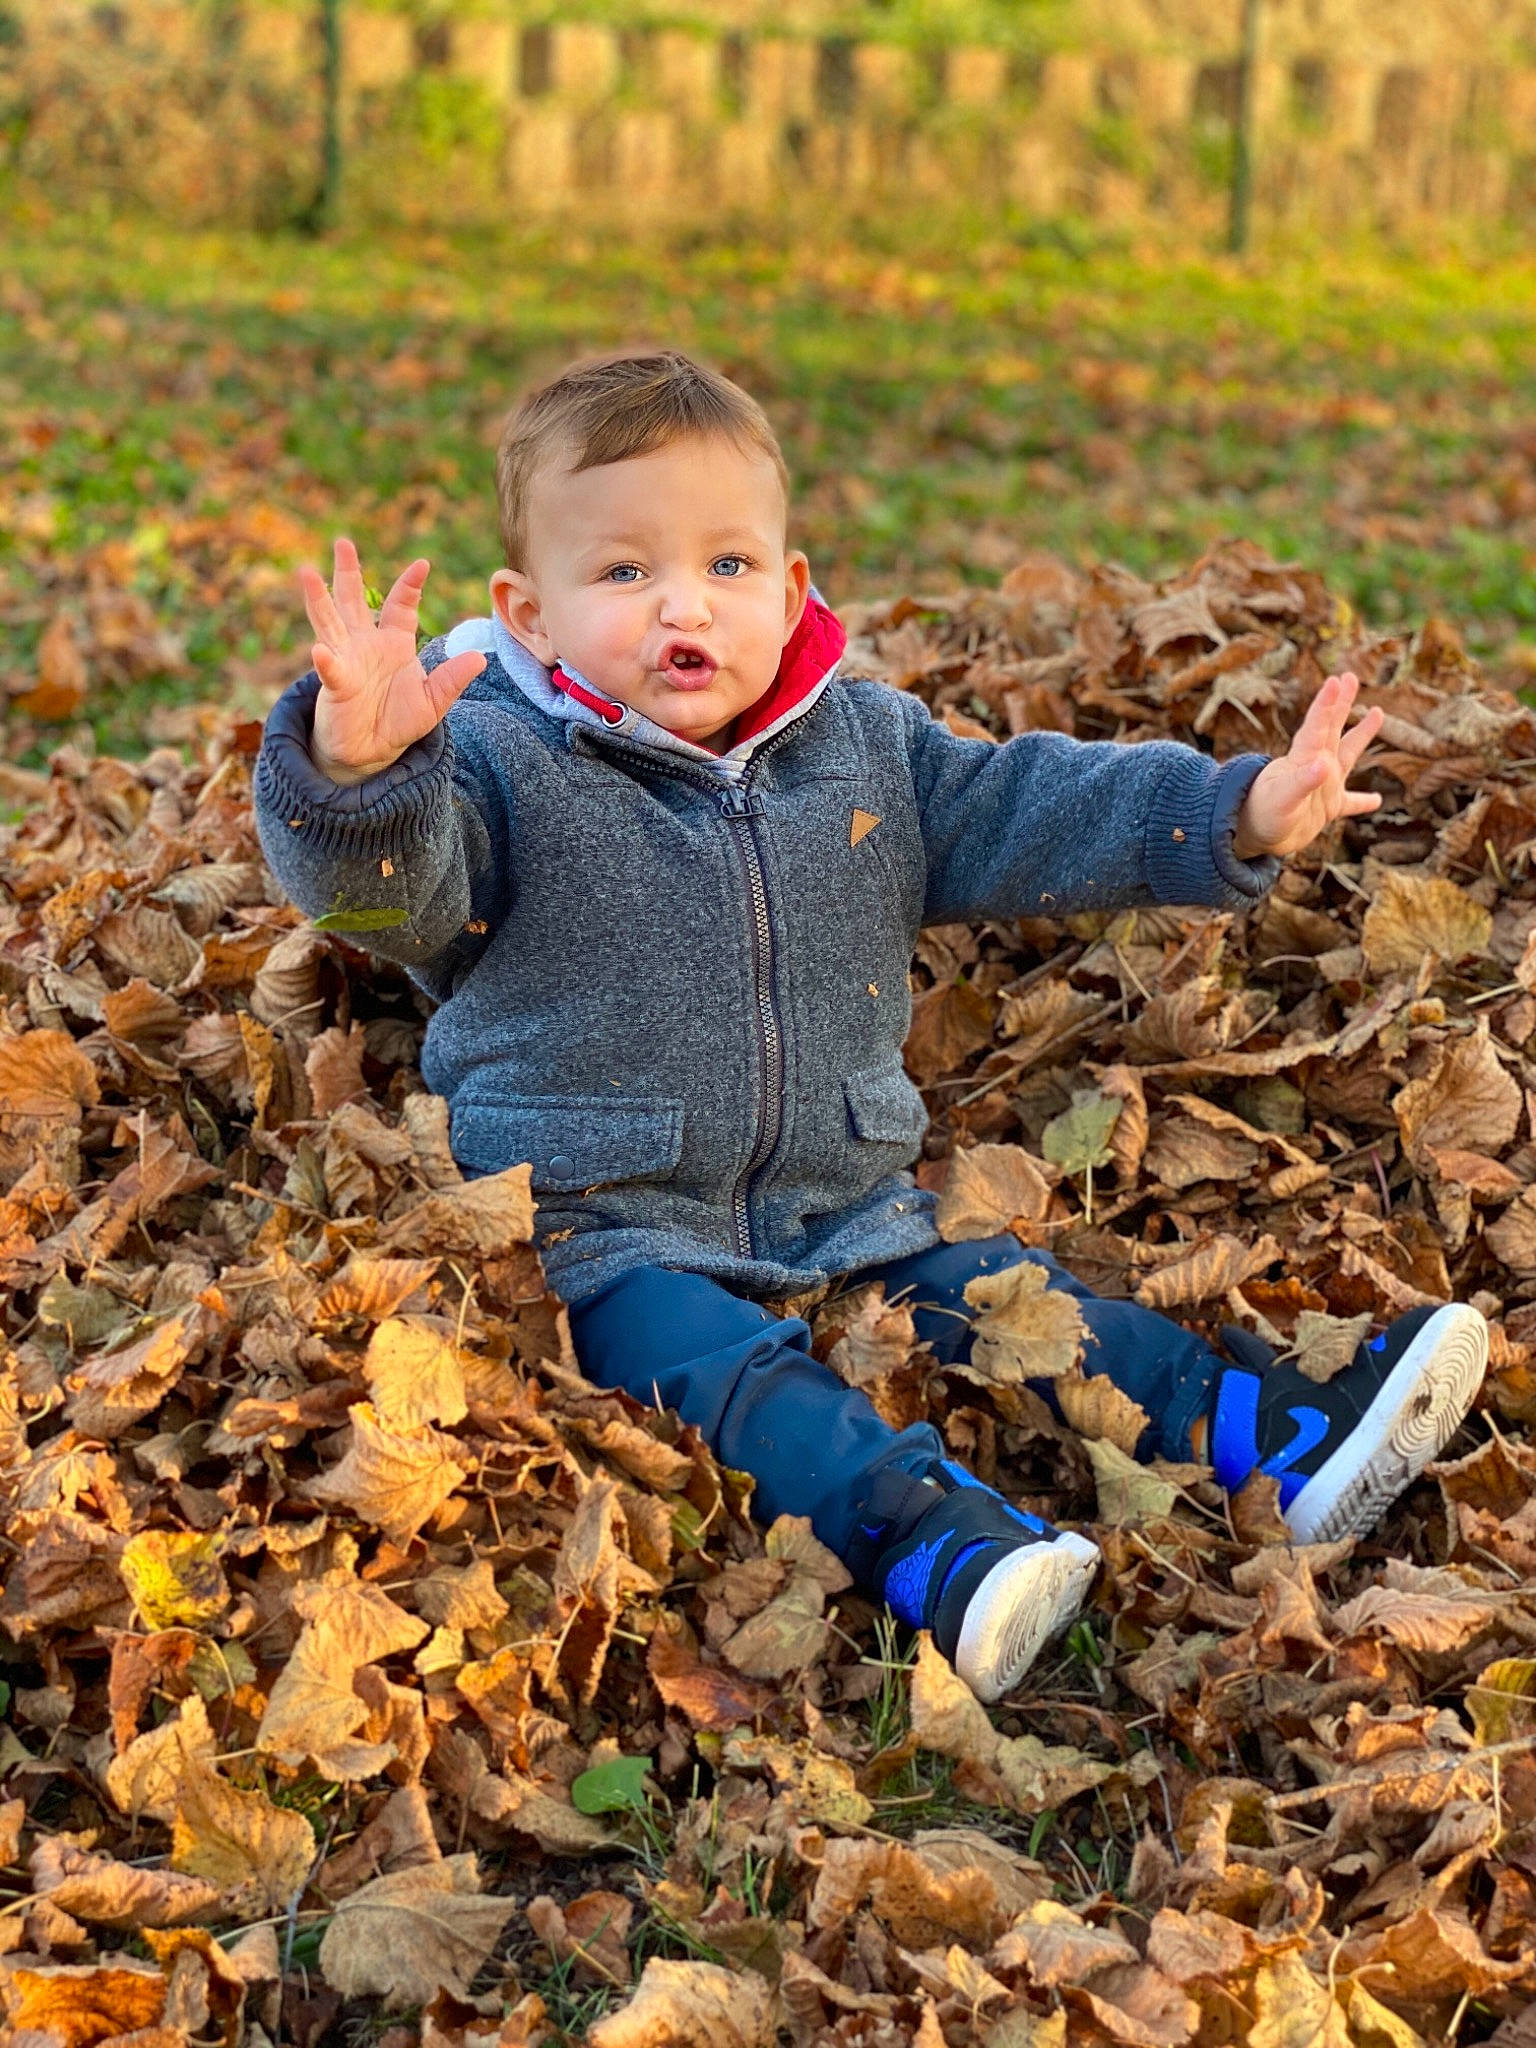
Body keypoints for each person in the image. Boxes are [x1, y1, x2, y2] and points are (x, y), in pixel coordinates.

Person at [253, 349, 1489, 1706]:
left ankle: (1271, 1431)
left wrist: (1233, 814)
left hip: (843, 1197)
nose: (684, 605)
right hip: (594, 1223)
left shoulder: (863, 748)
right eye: (623, 573)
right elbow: (392, 900)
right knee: (728, 1384)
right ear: (528, 613)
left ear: (789, 591)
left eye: (727, 567)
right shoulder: (494, 764)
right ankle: (937, 1550)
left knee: (1016, 1305)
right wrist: (359, 771)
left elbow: (1030, 810)